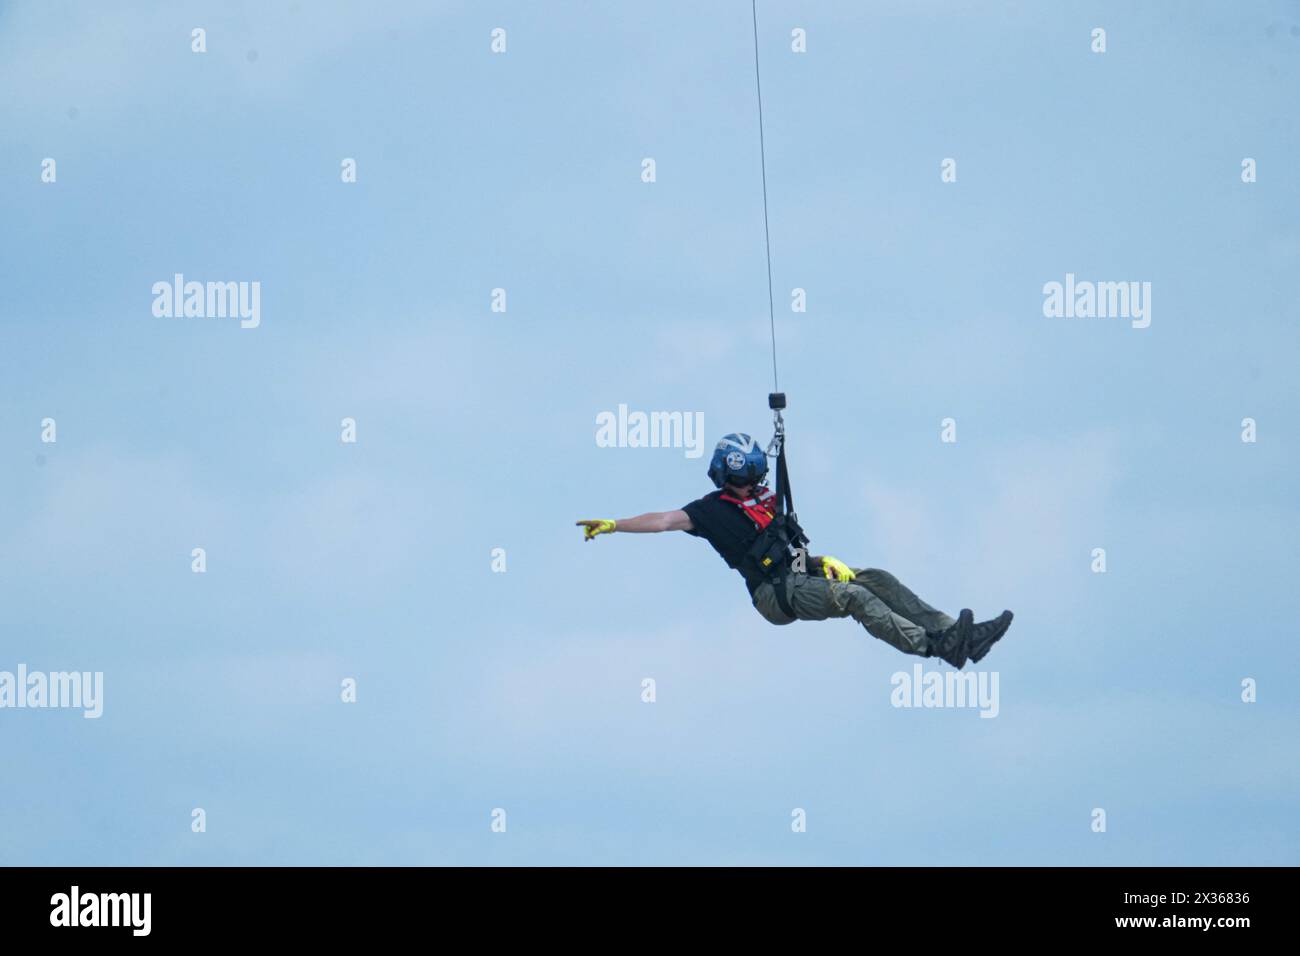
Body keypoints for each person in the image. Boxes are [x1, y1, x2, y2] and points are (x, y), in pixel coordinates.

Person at [577, 432, 1013, 668]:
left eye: (758, 477)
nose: (756, 485)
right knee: (855, 597)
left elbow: (791, 548)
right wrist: (615, 525)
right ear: (728, 480)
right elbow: (664, 521)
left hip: (800, 573)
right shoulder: (709, 512)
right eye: (748, 479)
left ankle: (957, 635)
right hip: (774, 594)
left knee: (874, 578)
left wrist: (825, 563)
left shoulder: (767, 503)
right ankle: (932, 648)